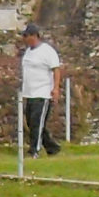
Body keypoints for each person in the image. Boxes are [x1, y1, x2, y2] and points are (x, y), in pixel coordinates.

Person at [17, 24, 63, 156]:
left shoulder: (47, 51)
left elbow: (56, 70)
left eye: (26, 36)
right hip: (29, 93)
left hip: (42, 93)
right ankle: (52, 147)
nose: (24, 39)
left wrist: (55, 88)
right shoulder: (28, 52)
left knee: (37, 123)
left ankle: (34, 150)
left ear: (34, 36)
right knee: (31, 123)